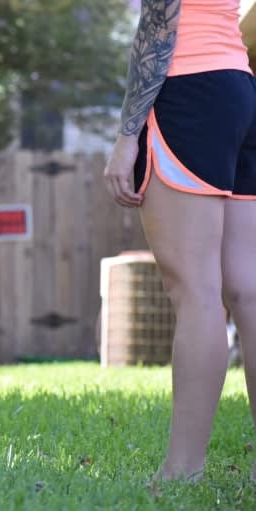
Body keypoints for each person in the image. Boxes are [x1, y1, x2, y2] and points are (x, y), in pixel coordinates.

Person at [103, 0, 256, 481]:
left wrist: (128, 135)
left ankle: (181, 471)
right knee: (248, 291)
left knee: (196, 292)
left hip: (188, 89)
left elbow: (157, 24)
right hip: (239, 86)